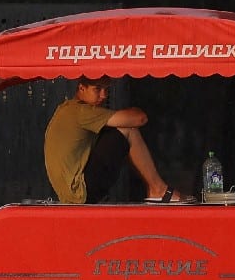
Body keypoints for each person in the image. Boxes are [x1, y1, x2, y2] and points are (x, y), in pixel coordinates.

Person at [43, 76, 194, 204]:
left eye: (106, 90)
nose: (103, 96)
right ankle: (159, 190)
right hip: (80, 191)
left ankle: (154, 189)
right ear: (81, 88)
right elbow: (140, 119)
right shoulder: (81, 111)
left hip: (72, 193)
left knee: (116, 131)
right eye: (97, 89)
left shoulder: (68, 109)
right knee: (127, 130)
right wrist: (134, 109)